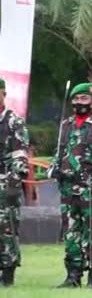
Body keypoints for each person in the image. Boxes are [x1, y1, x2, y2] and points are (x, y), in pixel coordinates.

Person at [50, 83, 92, 289]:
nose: (79, 103)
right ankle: (73, 275)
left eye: (84, 99)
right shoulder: (65, 125)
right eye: (76, 99)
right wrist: (54, 169)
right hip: (68, 189)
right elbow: (59, 153)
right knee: (71, 233)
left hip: (90, 187)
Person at [0, 78, 29, 287]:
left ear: (3, 94)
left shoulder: (13, 122)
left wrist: (13, 181)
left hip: (4, 182)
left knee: (7, 229)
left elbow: (19, 155)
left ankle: (8, 274)